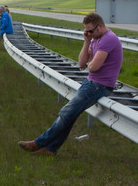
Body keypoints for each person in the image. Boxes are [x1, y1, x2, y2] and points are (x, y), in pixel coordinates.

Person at [18, 13, 123, 156]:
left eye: (90, 31)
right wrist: (86, 42)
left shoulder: (108, 39)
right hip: (92, 83)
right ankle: (50, 149)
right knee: (70, 115)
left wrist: (91, 62)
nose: (88, 33)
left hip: (100, 85)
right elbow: (81, 63)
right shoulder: (94, 39)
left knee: (66, 112)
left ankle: (38, 143)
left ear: (99, 27)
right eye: (86, 31)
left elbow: (93, 67)